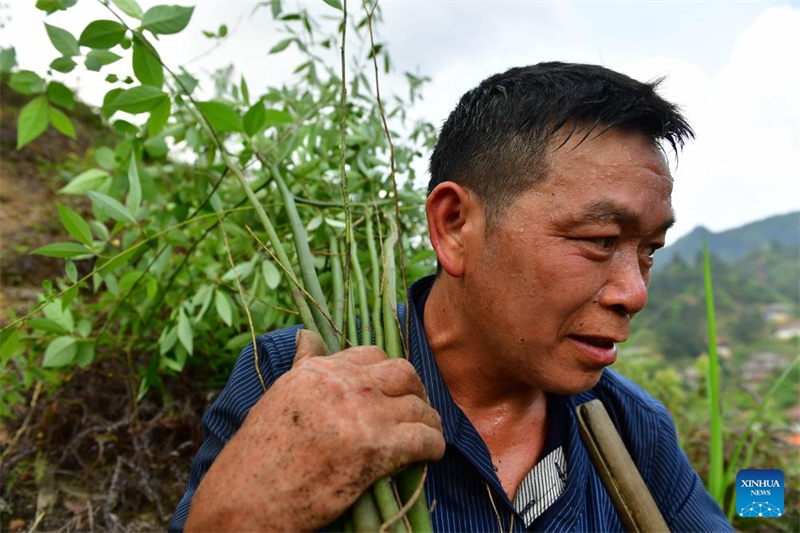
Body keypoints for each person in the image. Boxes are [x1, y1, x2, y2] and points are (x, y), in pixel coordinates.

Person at [170, 62, 733, 532]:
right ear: (455, 225)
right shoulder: (297, 378)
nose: (634, 292)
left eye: (649, 250)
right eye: (600, 240)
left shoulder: (634, 426)